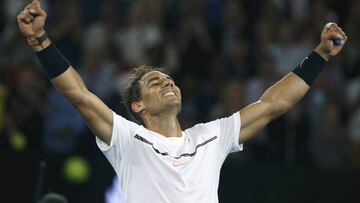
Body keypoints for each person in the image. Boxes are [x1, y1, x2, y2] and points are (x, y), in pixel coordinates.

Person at [17, 1, 348, 203]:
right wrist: (40, 40)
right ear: (138, 107)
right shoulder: (127, 139)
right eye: (155, 82)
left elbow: (274, 104)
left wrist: (319, 55)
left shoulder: (209, 137)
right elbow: (79, 94)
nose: (168, 82)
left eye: (169, 79)